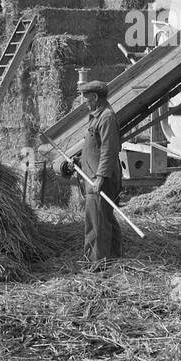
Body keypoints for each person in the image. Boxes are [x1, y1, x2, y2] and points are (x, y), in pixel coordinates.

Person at [73, 78, 122, 262]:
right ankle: (115, 258)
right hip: (95, 175)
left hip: (101, 179)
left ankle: (97, 264)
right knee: (105, 218)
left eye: (85, 98)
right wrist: (78, 161)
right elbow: (95, 148)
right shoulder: (97, 116)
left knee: (96, 223)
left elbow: (110, 149)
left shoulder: (106, 117)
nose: (84, 103)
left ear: (94, 97)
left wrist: (100, 178)